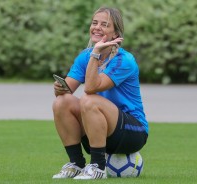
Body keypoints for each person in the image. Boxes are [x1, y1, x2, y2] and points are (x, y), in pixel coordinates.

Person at [52, 7, 148, 180]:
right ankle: (76, 164)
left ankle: (97, 167)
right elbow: (67, 90)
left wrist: (95, 53)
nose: (97, 27)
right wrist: (59, 88)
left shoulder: (124, 60)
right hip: (97, 129)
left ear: (115, 34)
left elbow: (90, 88)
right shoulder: (85, 56)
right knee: (62, 101)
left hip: (133, 132)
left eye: (104, 25)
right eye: (94, 23)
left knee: (89, 99)